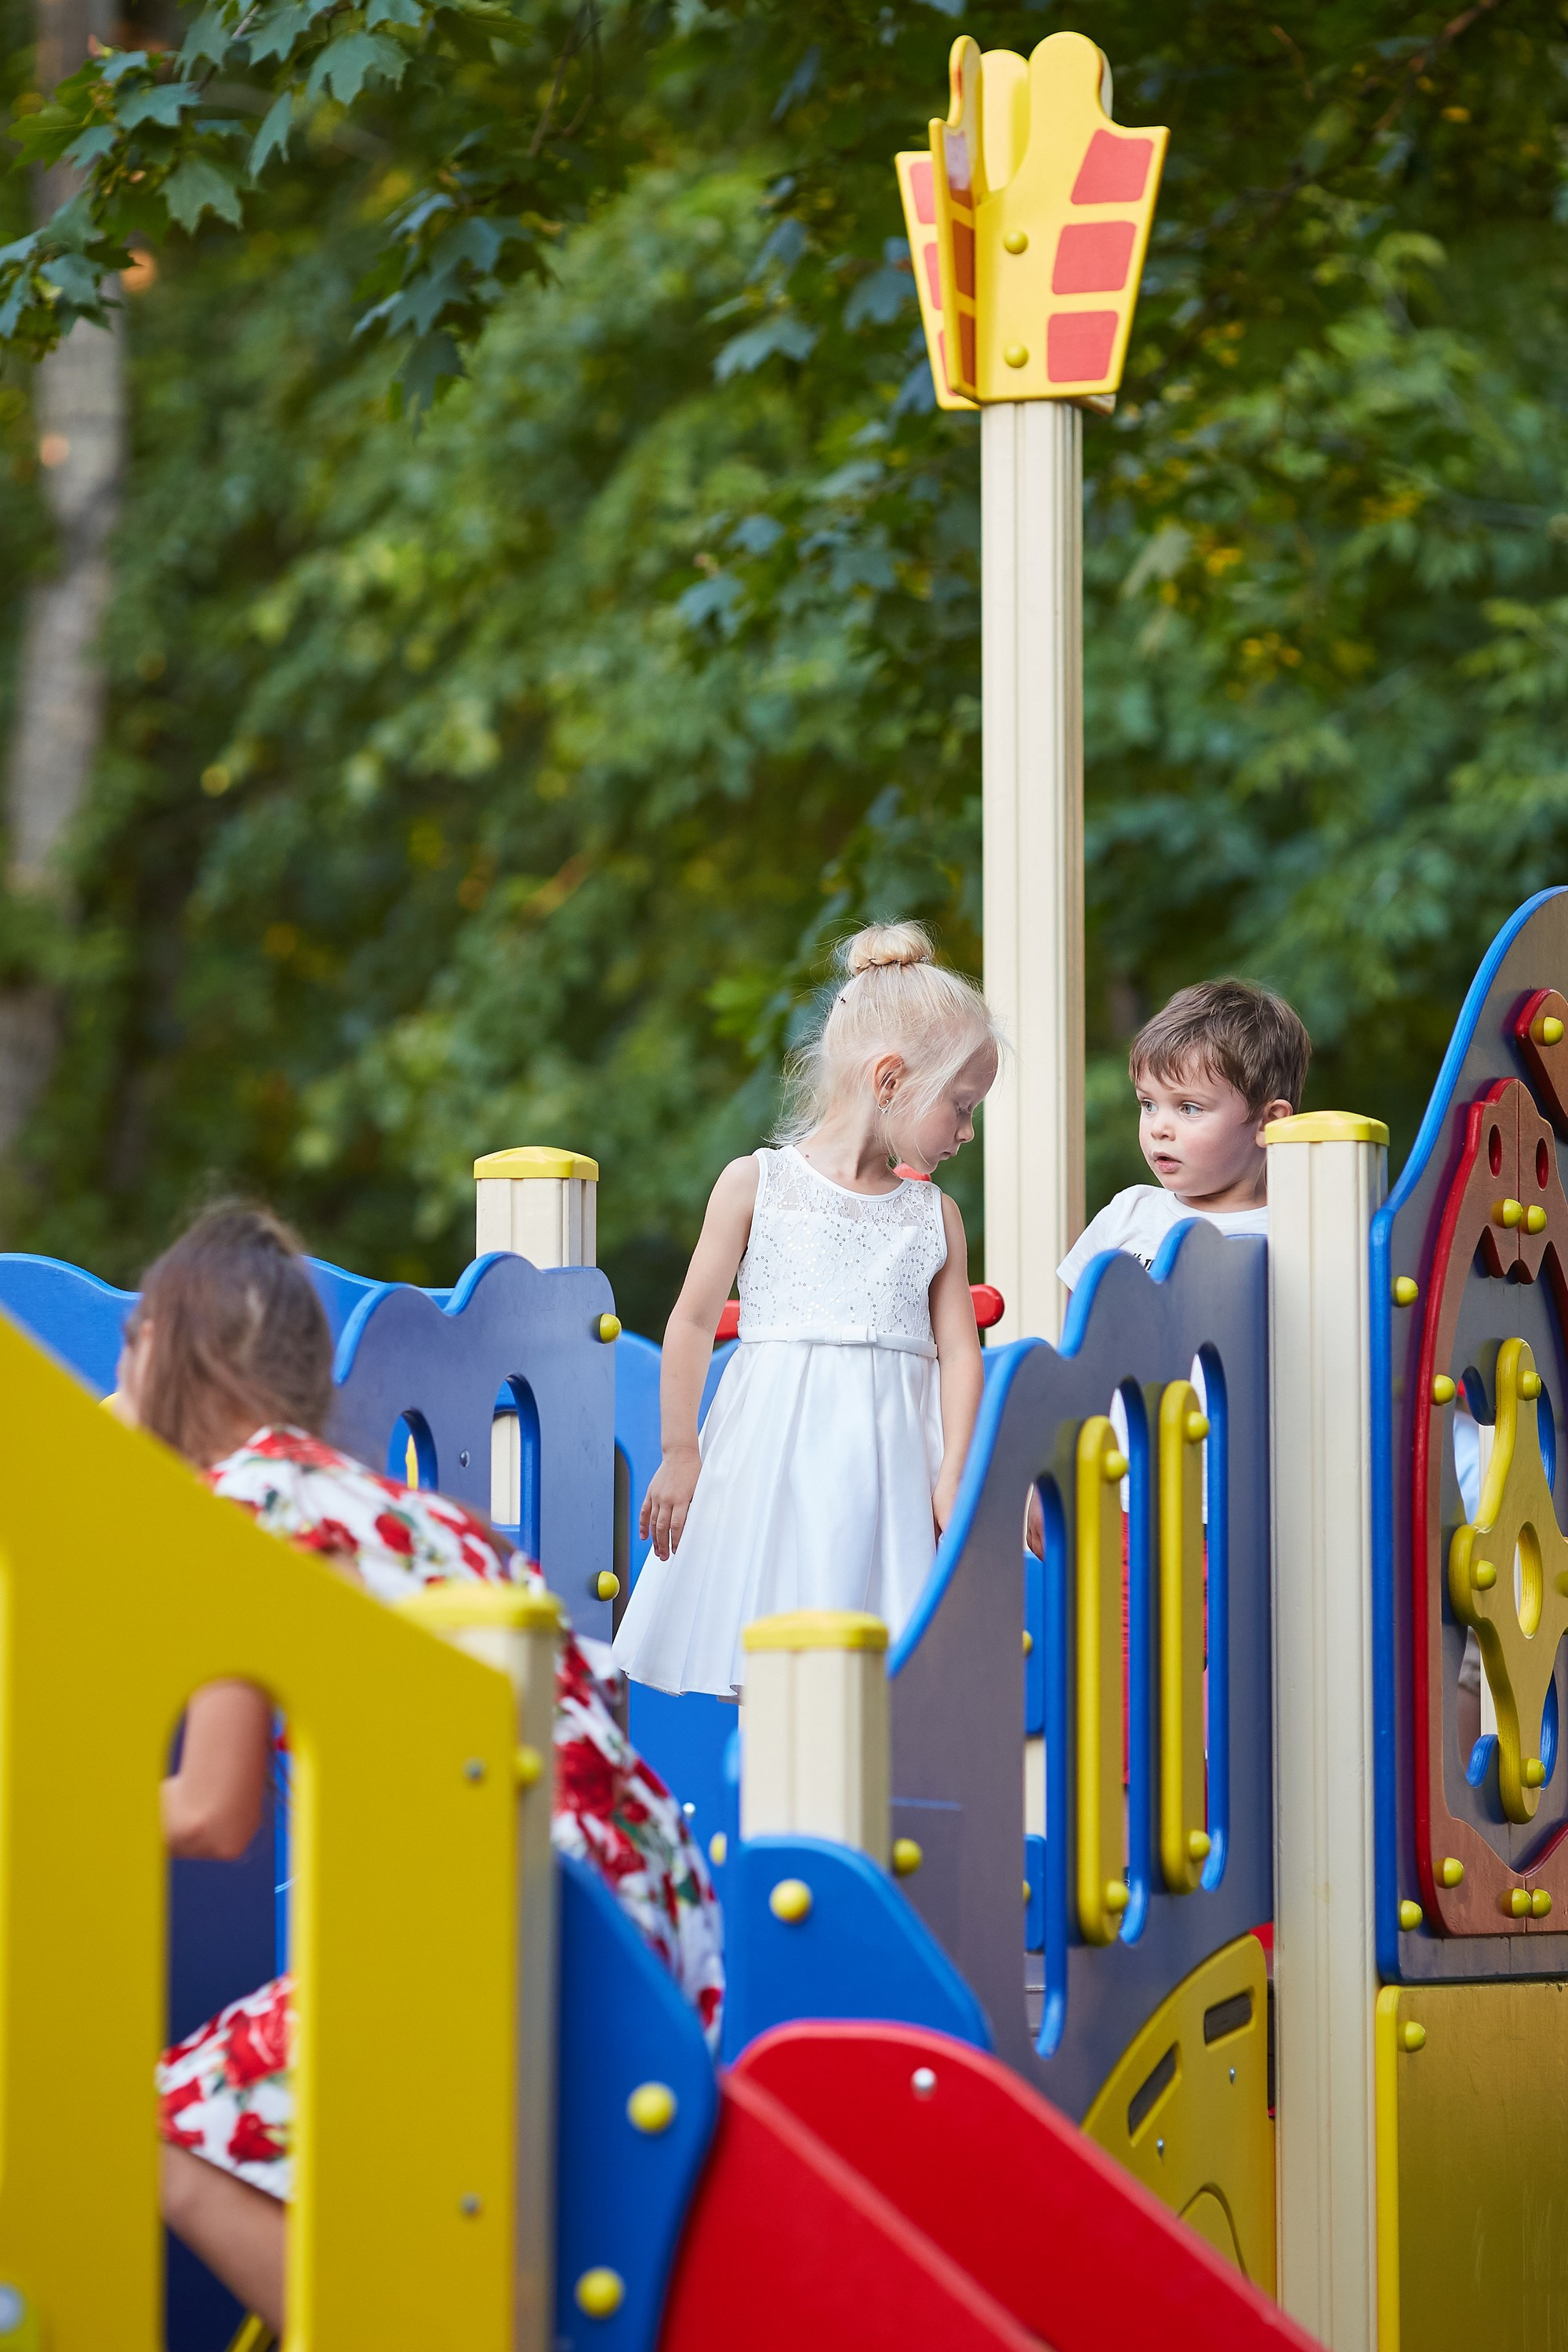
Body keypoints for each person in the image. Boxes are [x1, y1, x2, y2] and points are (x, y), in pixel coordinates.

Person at [112, 1203, 722, 2336]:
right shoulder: (389, 1506)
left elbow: (209, 1812)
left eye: (127, 1355)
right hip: (630, 1912)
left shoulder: (239, 1509)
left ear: (169, 1347)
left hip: (494, 1910)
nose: (115, 1389)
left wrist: (53, 1799)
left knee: (150, 2127)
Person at [612, 921, 1002, 1700]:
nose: (965, 1131)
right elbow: (691, 1320)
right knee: (773, 1656)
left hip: (885, 1472)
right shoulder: (756, 1184)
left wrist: (954, 1470)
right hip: (775, 1467)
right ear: (890, 1081)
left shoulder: (932, 1218)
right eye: (959, 1107)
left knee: (875, 1678)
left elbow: (959, 1353)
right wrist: (680, 1449)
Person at [1058, 977, 1310, 1295]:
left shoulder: (1295, 1239)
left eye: (1189, 1108)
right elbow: (1078, 1330)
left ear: (1268, 1123)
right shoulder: (1128, 1212)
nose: (1158, 1128)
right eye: (1148, 1104)